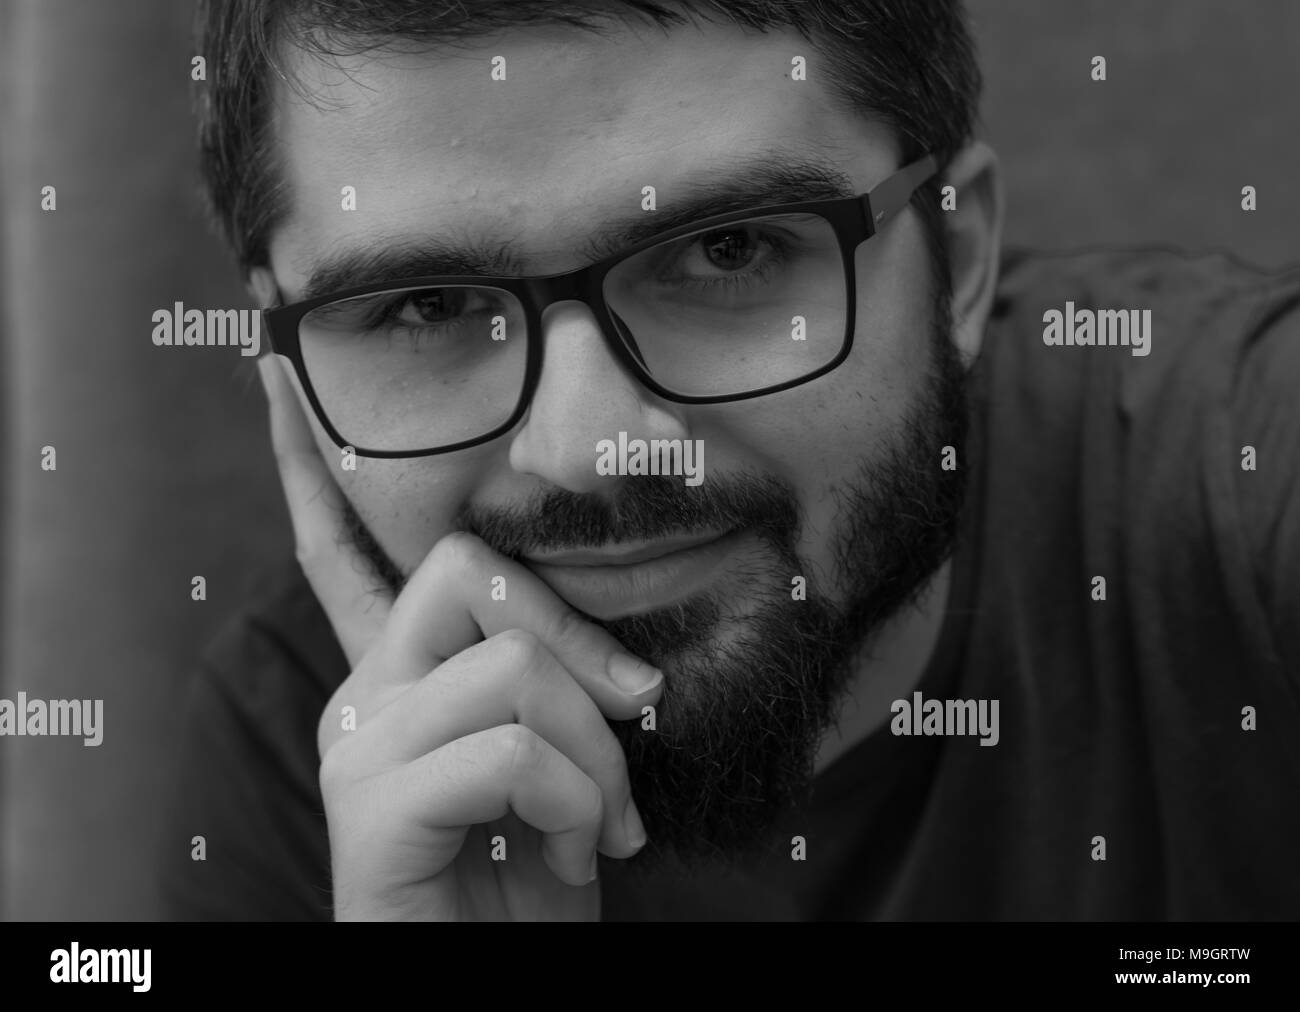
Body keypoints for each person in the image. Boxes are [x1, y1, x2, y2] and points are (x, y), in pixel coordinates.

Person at [161, 0, 1300, 921]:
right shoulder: (317, 757)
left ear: (954, 254)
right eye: (423, 307)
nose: (584, 451)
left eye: (727, 249)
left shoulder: (1241, 475)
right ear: (283, 364)